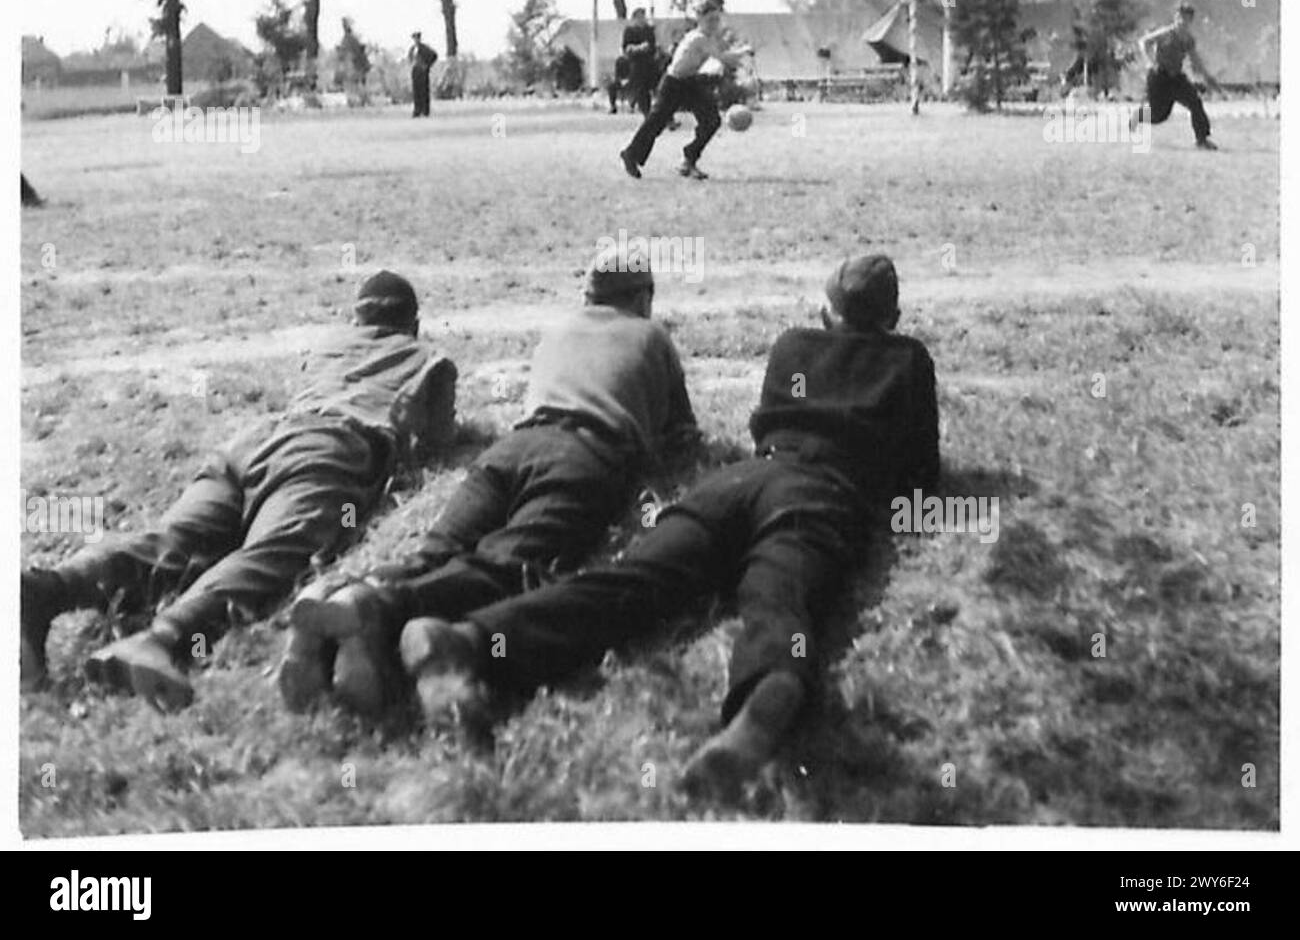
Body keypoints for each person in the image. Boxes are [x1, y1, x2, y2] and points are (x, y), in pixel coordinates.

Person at [398, 253, 940, 802]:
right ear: (891, 316)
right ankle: (772, 682)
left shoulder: (793, 346)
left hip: (741, 480)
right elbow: (920, 473)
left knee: (634, 578)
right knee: (781, 594)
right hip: (822, 493)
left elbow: (768, 422)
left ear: (826, 311)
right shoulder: (909, 361)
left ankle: (470, 638)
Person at [277, 249, 699, 718]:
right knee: (508, 566)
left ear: (589, 294)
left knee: (435, 551)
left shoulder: (557, 330)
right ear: (643, 297)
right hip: (585, 454)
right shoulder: (651, 335)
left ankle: (337, 594)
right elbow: (682, 435)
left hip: (509, 450)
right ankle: (374, 607)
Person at [20, 271, 457, 711]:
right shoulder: (428, 357)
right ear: (414, 324)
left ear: (355, 319)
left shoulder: (328, 343)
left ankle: (48, 589)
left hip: (251, 444)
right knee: (272, 554)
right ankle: (164, 640)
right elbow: (437, 444)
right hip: (330, 448)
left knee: (172, 540)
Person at [620, 0, 753, 181]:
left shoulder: (708, 38)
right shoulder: (698, 38)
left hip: (690, 82)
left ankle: (688, 161)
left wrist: (742, 55)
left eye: (716, 19)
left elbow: (723, 57)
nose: (714, 23)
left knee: (711, 120)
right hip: (673, 83)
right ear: (700, 19)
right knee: (656, 122)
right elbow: (723, 58)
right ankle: (631, 154)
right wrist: (744, 52)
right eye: (710, 19)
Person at [1134, 2, 1220, 149]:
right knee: (1158, 115)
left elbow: (1195, 61)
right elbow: (1143, 42)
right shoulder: (1165, 33)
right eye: (1180, 17)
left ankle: (1202, 140)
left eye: (1186, 18)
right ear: (1175, 18)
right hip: (1159, 76)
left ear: (1190, 21)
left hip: (1176, 78)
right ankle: (1138, 117)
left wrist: (1208, 77)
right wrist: (1148, 61)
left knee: (1195, 103)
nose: (1182, 21)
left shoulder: (1189, 40)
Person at [620, 7, 659, 117]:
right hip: (637, 65)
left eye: (643, 16)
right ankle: (647, 116)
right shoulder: (630, 31)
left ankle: (667, 118)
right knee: (642, 91)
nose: (642, 18)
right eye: (640, 16)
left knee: (659, 89)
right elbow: (626, 48)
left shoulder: (649, 30)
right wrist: (638, 48)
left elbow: (653, 47)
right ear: (635, 18)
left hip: (650, 64)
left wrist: (648, 48)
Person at [408, 31, 438, 118]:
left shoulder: (425, 48)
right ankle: (417, 110)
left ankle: (425, 111)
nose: (416, 40)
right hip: (415, 72)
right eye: (414, 38)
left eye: (417, 38)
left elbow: (434, 55)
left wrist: (427, 65)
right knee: (416, 92)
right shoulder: (412, 49)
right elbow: (410, 58)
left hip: (423, 72)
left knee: (424, 92)